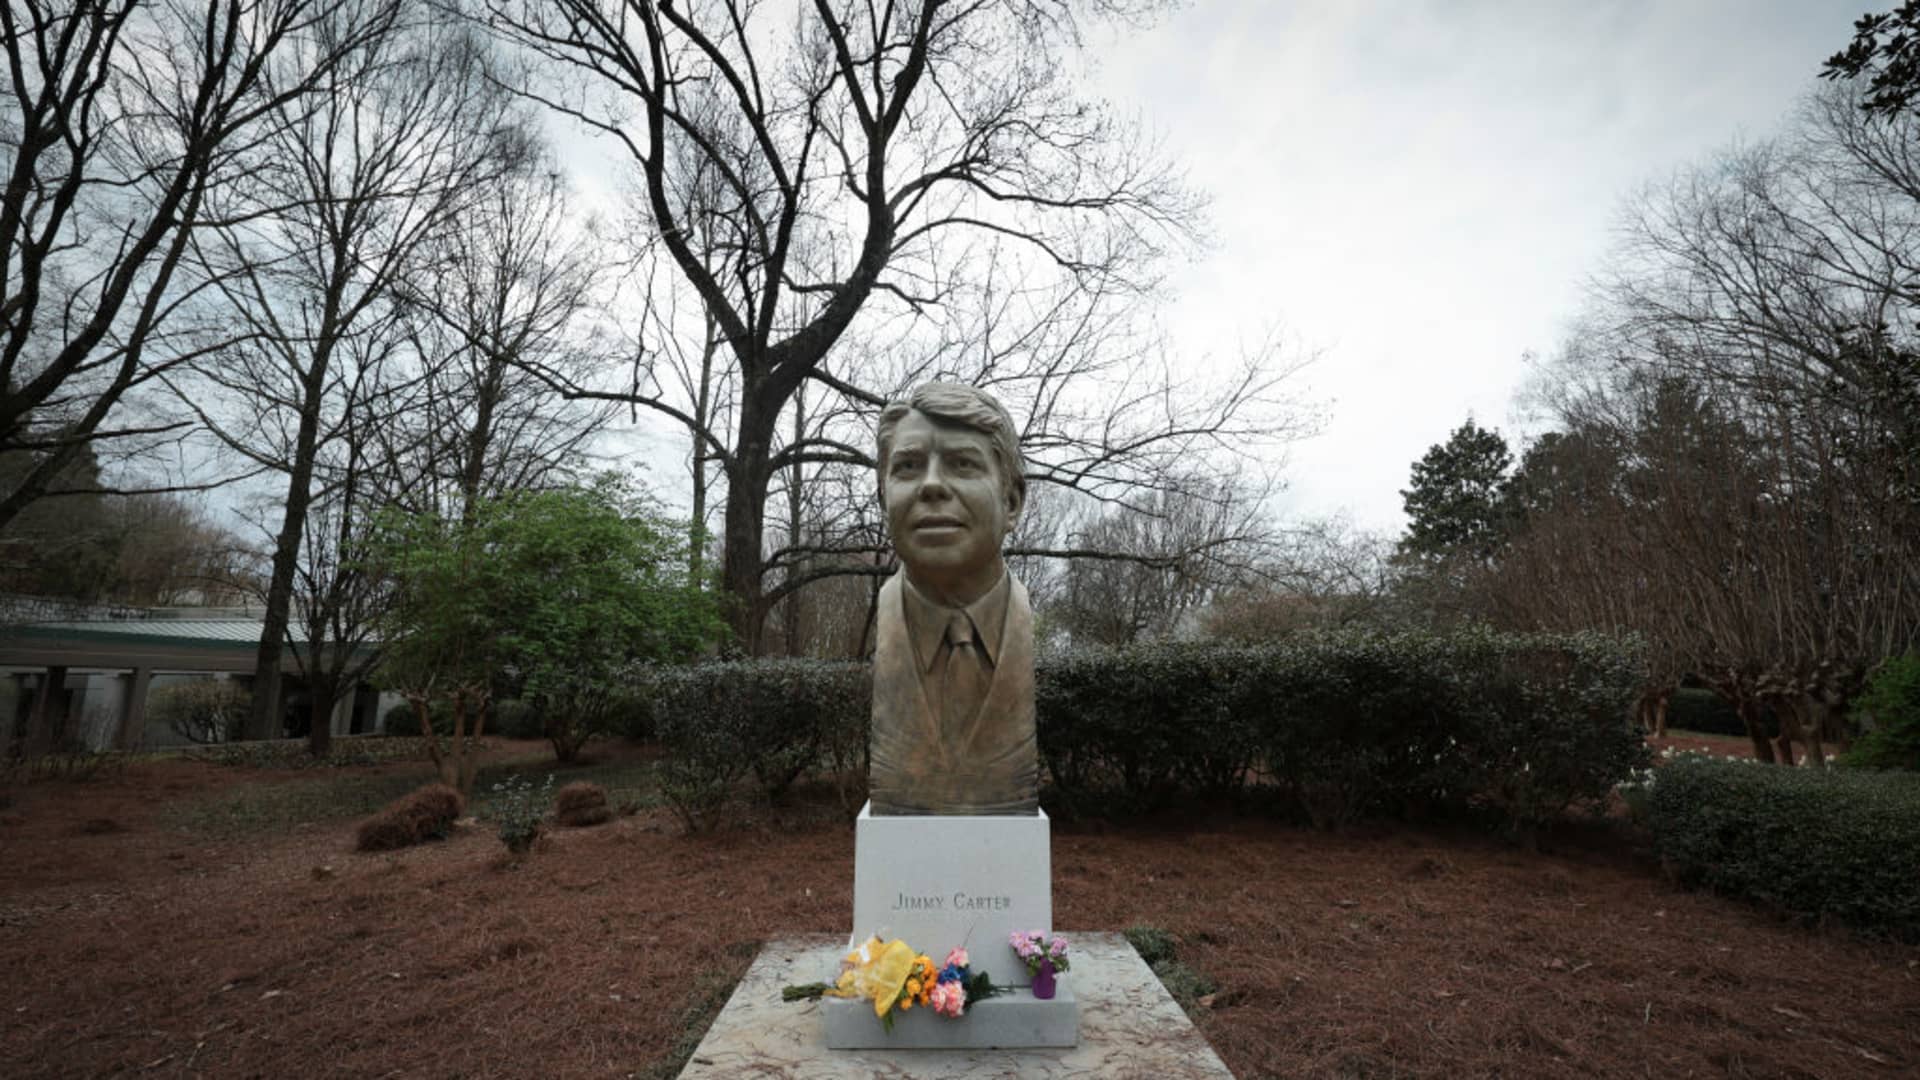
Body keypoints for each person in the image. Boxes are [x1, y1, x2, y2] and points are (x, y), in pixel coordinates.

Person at [869, 382, 1038, 815]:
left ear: (1012, 502)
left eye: (963, 464)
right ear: (884, 499)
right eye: (908, 467)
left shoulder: (1023, 627)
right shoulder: (886, 629)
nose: (931, 486)